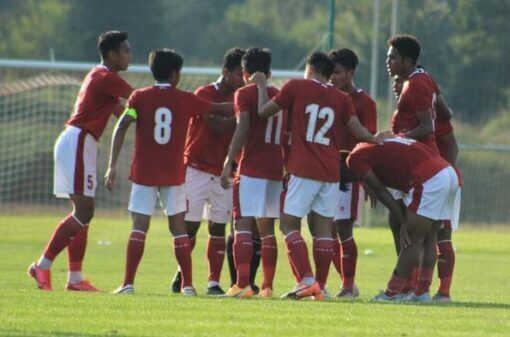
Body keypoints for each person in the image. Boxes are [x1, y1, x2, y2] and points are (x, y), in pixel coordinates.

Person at [105, 49, 234, 295]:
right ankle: (187, 285)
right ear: (175, 74)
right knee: (178, 229)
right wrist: (244, 104)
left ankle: (128, 284)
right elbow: (221, 109)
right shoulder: (186, 100)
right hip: (173, 174)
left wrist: (112, 165)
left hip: (144, 172)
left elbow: (123, 125)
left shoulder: (138, 99)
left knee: (139, 226)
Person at [256, 51, 380, 300]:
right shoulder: (342, 98)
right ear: (328, 72)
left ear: (310, 69)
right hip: (331, 172)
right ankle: (320, 288)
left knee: (289, 223)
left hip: (303, 168)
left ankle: (306, 280)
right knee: (324, 230)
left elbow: (263, 112)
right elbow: (357, 130)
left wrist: (260, 86)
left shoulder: (296, 87)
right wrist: (375, 138)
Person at [27, 31, 133, 291]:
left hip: (81, 142)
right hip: (79, 142)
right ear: (112, 55)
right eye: (125, 51)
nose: (130, 55)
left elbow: (124, 113)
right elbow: (140, 100)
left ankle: (74, 279)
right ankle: (42, 265)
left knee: (83, 214)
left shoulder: (102, 79)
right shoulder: (106, 77)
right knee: (85, 211)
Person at [169, 48, 245, 295]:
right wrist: (242, 116)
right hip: (196, 168)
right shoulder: (204, 93)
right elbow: (217, 125)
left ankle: (213, 282)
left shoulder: (240, 96)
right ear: (225, 71)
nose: (242, 79)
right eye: (238, 74)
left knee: (218, 227)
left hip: (222, 171)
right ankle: (182, 275)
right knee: (190, 227)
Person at [346, 137, 459, 302]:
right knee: (429, 238)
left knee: (411, 240)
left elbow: (381, 191)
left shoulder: (353, 159)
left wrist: (403, 221)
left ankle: (392, 293)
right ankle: (421, 293)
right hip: (447, 171)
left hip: (429, 178)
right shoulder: (366, 147)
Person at [220, 47, 284, 298]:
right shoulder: (279, 94)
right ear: (268, 72)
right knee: (267, 230)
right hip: (275, 168)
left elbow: (243, 128)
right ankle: (267, 287)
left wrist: (228, 162)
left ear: (245, 72)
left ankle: (243, 283)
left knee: (243, 224)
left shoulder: (244, 93)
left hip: (252, 167)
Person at [392, 74, 461, 303]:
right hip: (417, 184)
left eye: (401, 81)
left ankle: (443, 292)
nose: (396, 85)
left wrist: (444, 176)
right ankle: (414, 289)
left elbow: (452, 145)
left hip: (439, 182)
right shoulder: (400, 119)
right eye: (395, 81)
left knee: (440, 237)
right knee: (414, 235)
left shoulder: (433, 119)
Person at [326, 48, 378, 299]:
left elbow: (369, 141)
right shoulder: (326, 97)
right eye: (329, 73)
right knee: (325, 230)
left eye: (336, 73)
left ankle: (347, 287)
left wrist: (369, 180)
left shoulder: (364, 102)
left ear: (350, 73)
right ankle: (346, 283)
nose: (332, 78)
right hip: (323, 173)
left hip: (348, 177)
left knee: (343, 229)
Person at [385, 34, 438, 153]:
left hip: (422, 155)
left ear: (407, 61)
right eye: (388, 57)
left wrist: (399, 139)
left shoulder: (415, 83)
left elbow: (427, 127)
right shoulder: (422, 76)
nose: (387, 62)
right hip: (417, 152)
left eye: (392, 58)